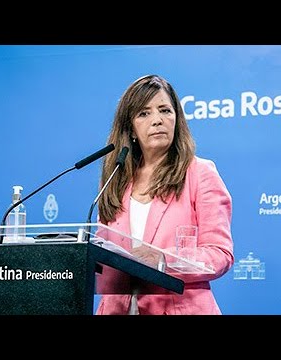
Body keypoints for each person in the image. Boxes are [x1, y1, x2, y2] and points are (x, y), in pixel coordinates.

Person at [95, 74, 234, 315]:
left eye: (165, 110)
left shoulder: (199, 173)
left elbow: (220, 254)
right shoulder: (116, 179)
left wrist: (163, 260)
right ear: (131, 129)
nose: (157, 120)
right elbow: (100, 255)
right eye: (144, 113)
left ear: (177, 119)